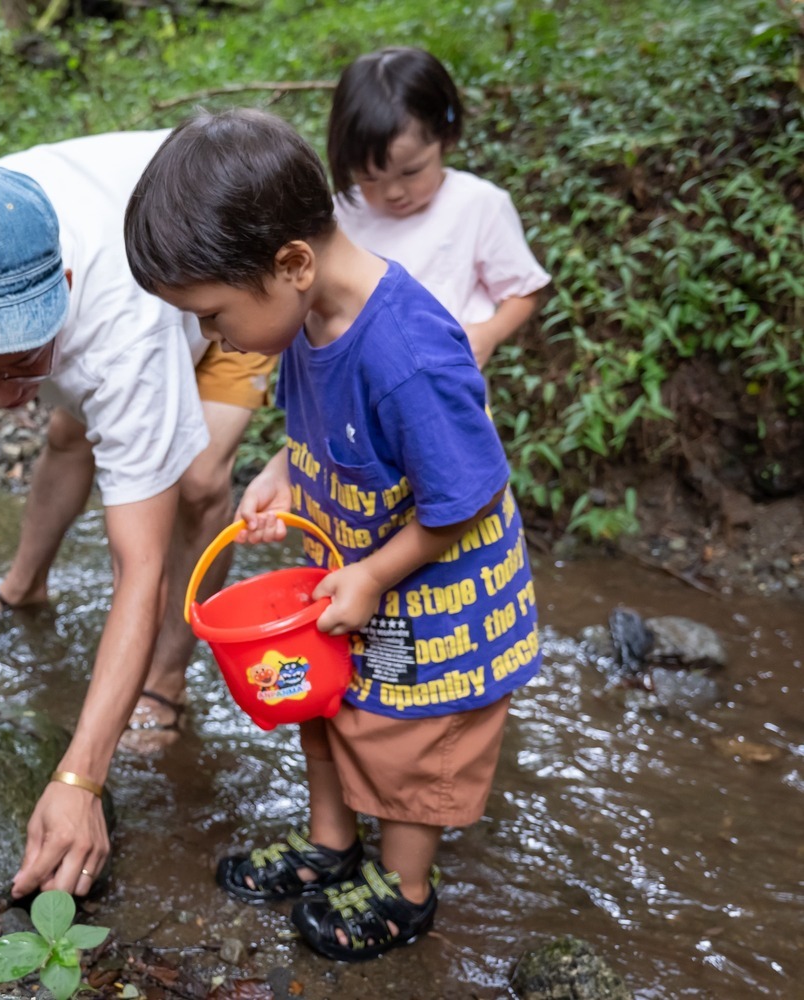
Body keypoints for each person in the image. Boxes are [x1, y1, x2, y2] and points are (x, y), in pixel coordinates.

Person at [123, 108, 542, 961]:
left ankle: (404, 886)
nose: (212, 337)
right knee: (329, 706)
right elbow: (321, 428)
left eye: (212, 313)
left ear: (292, 263)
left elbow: (465, 495)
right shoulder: (312, 317)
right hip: (358, 579)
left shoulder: (409, 355)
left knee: (410, 740)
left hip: (436, 602)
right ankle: (332, 845)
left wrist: (377, 575)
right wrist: (279, 472)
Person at [0, 130, 277, 898]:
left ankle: (167, 678)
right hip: (107, 269)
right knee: (69, 427)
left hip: (224, 271)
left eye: (22, 361)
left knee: (195, 483)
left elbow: (140, 568)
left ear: (62, 285)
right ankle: (22, 586)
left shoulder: (121, 332)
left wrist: (79, 776)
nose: (3, 401)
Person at [327, 46, 550, 368]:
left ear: (446, 136)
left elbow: (523, 288)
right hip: (358, 392)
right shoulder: (339, 218)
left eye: (411, 171)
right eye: (369, 177)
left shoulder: (477, 205)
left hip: (444, 387)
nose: (392, 191)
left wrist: (489, 332)